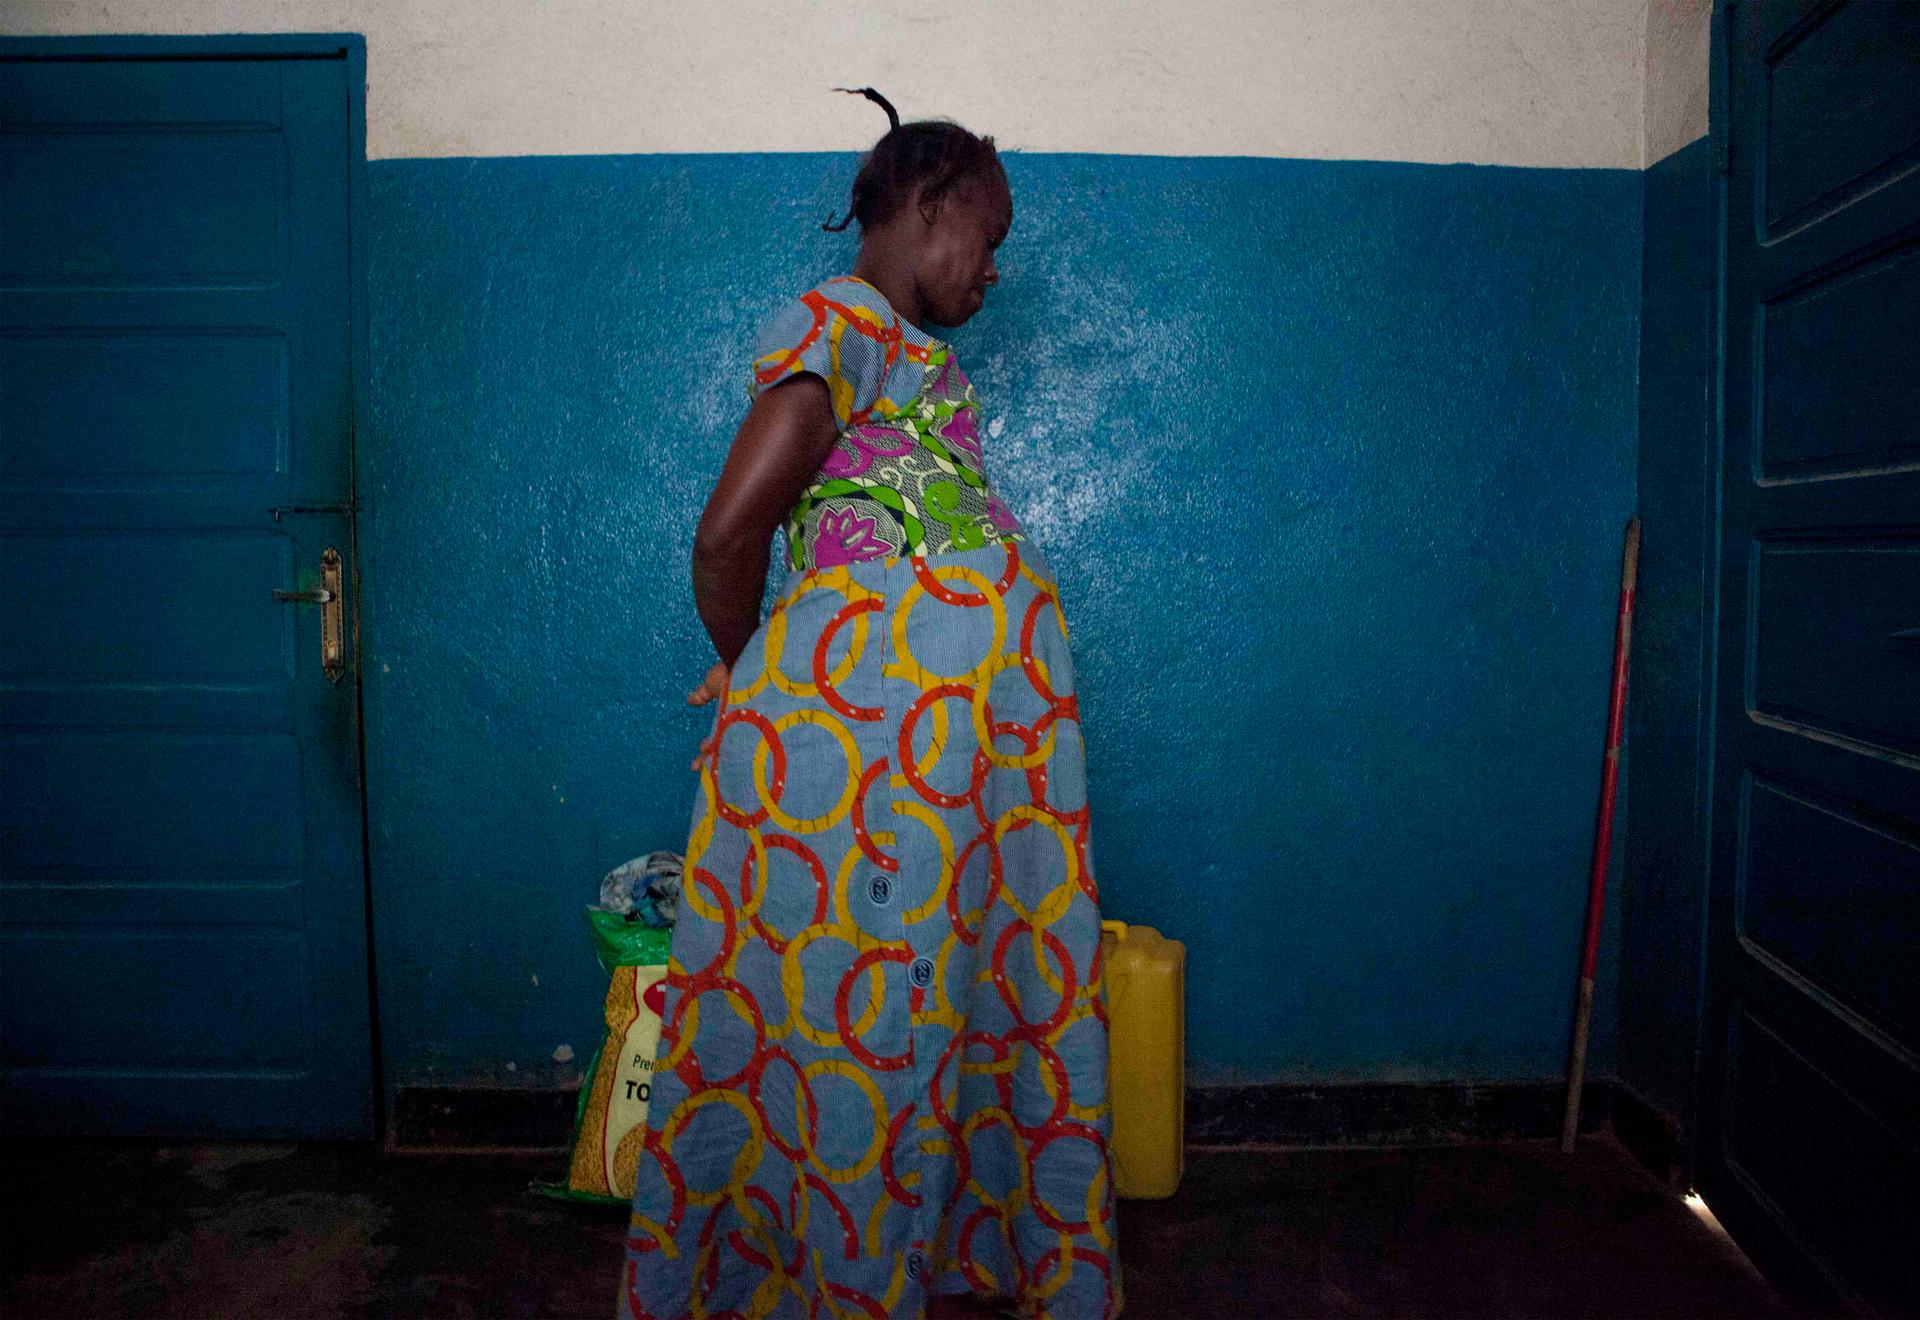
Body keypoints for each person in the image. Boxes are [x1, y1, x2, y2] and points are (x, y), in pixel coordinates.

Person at [617, 88, 1122, 1320]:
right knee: (873, 997)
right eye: (986, 239)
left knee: (941, 990)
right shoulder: (837, 327)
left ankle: (933, 1246)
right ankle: (837, 1270)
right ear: (929, 201)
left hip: (949, 763)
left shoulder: (918, 368)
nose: (993, 271)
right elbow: (730, 535)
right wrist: (750, 666)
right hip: (878, 765)